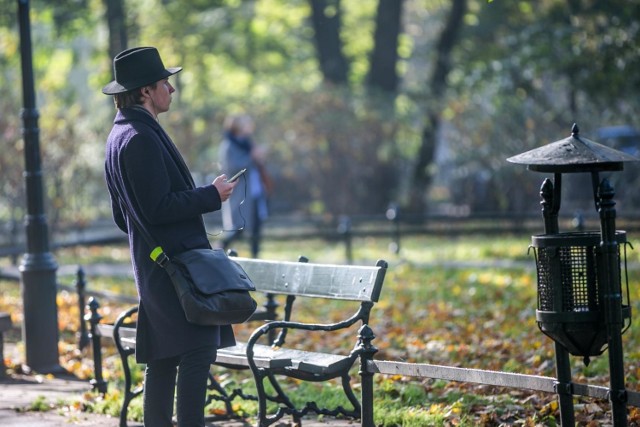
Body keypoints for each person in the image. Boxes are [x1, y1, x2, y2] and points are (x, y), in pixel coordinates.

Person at [102, 46, 237, 427]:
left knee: (163, 358)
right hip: (175, 268)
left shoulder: (121, 134)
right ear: (146, 91)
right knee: (197, 350)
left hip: (153, 264)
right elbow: (158, 207)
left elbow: (123, 216)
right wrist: (211, 196)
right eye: (166, 83)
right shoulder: (139, 138)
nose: (171, 90)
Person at [218, 113, 271, 258]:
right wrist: (252, 157)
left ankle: (256, 258)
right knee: (237, 228)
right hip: (240, 194)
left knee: (256, 227)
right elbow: (233, 167)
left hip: (255, 192)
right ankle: (218, 250)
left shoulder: (248, 143)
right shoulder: (229, 145)